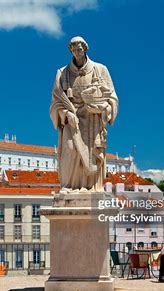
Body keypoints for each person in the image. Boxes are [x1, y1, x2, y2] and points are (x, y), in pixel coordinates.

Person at [50, 36, 118, 192]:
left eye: (79, 49)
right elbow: (55, 102)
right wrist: (66, 113)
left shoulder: (100, 70)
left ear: (85, 49)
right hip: (71, 119)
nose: (76, 52)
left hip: (93, 119)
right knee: (70, 148)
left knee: (92, 153)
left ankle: (90, 186)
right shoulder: (62, 73)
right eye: (73, 50)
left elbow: (112, 98)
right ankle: (70, 186)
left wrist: (103, 109)